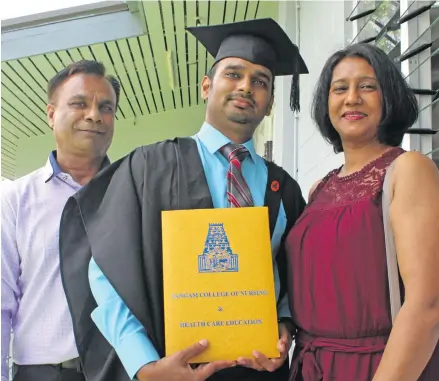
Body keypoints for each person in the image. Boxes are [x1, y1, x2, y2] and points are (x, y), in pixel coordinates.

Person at [58, 18, 308, 381]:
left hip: (258, 372)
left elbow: (286, 276)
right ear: (206, 86)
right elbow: (105, 271)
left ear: (270, 104)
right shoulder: (148, 167)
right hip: (171, 370)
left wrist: (283, 327)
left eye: (260, 82)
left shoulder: (283, 187)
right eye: (233, 74)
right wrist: (143, 365)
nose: (246, 87)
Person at [286, 43, 439, 381]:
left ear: (389, 97)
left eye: (367, 86)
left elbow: (427, 305)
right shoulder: (318, 189)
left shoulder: (408, 170)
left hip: (382, 367)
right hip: (312, 367)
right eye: (339, 88)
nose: (352, 97)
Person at [1, 60, 120, 381]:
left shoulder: (133, 192)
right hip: (44, 373)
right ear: (51, 114)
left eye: (106, 107)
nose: (94, 115)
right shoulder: (16, 199)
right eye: (79, 103)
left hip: (123, 370)